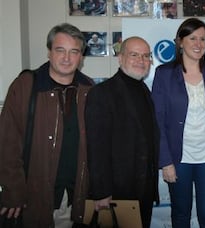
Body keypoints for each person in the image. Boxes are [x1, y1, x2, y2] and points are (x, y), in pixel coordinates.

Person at [0, 23, 94, 227]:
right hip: (33, 197)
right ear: (49, 53)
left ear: (81, 57)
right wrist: (13, 189)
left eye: (74, 52)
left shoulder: (89, 89)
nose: (67, 58)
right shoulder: (26, 86)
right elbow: (7, 142)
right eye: (60, 50)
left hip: (75, 197)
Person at [151, 18, 205, 228]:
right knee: (181, 213)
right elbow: (157, 120)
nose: (198, 44)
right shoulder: (164, 74)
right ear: (180, 41)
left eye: (203, 39)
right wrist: (165, 161)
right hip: (179, 158)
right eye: (192, 38)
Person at [85, 36, 159, 228]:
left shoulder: (144, 90)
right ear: (120, 57)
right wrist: (101, 192)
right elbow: (96, 146)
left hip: (143, 188)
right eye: (134, 55)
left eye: (145, 56)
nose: (141, 61)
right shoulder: (101, 93)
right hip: (117, 192)